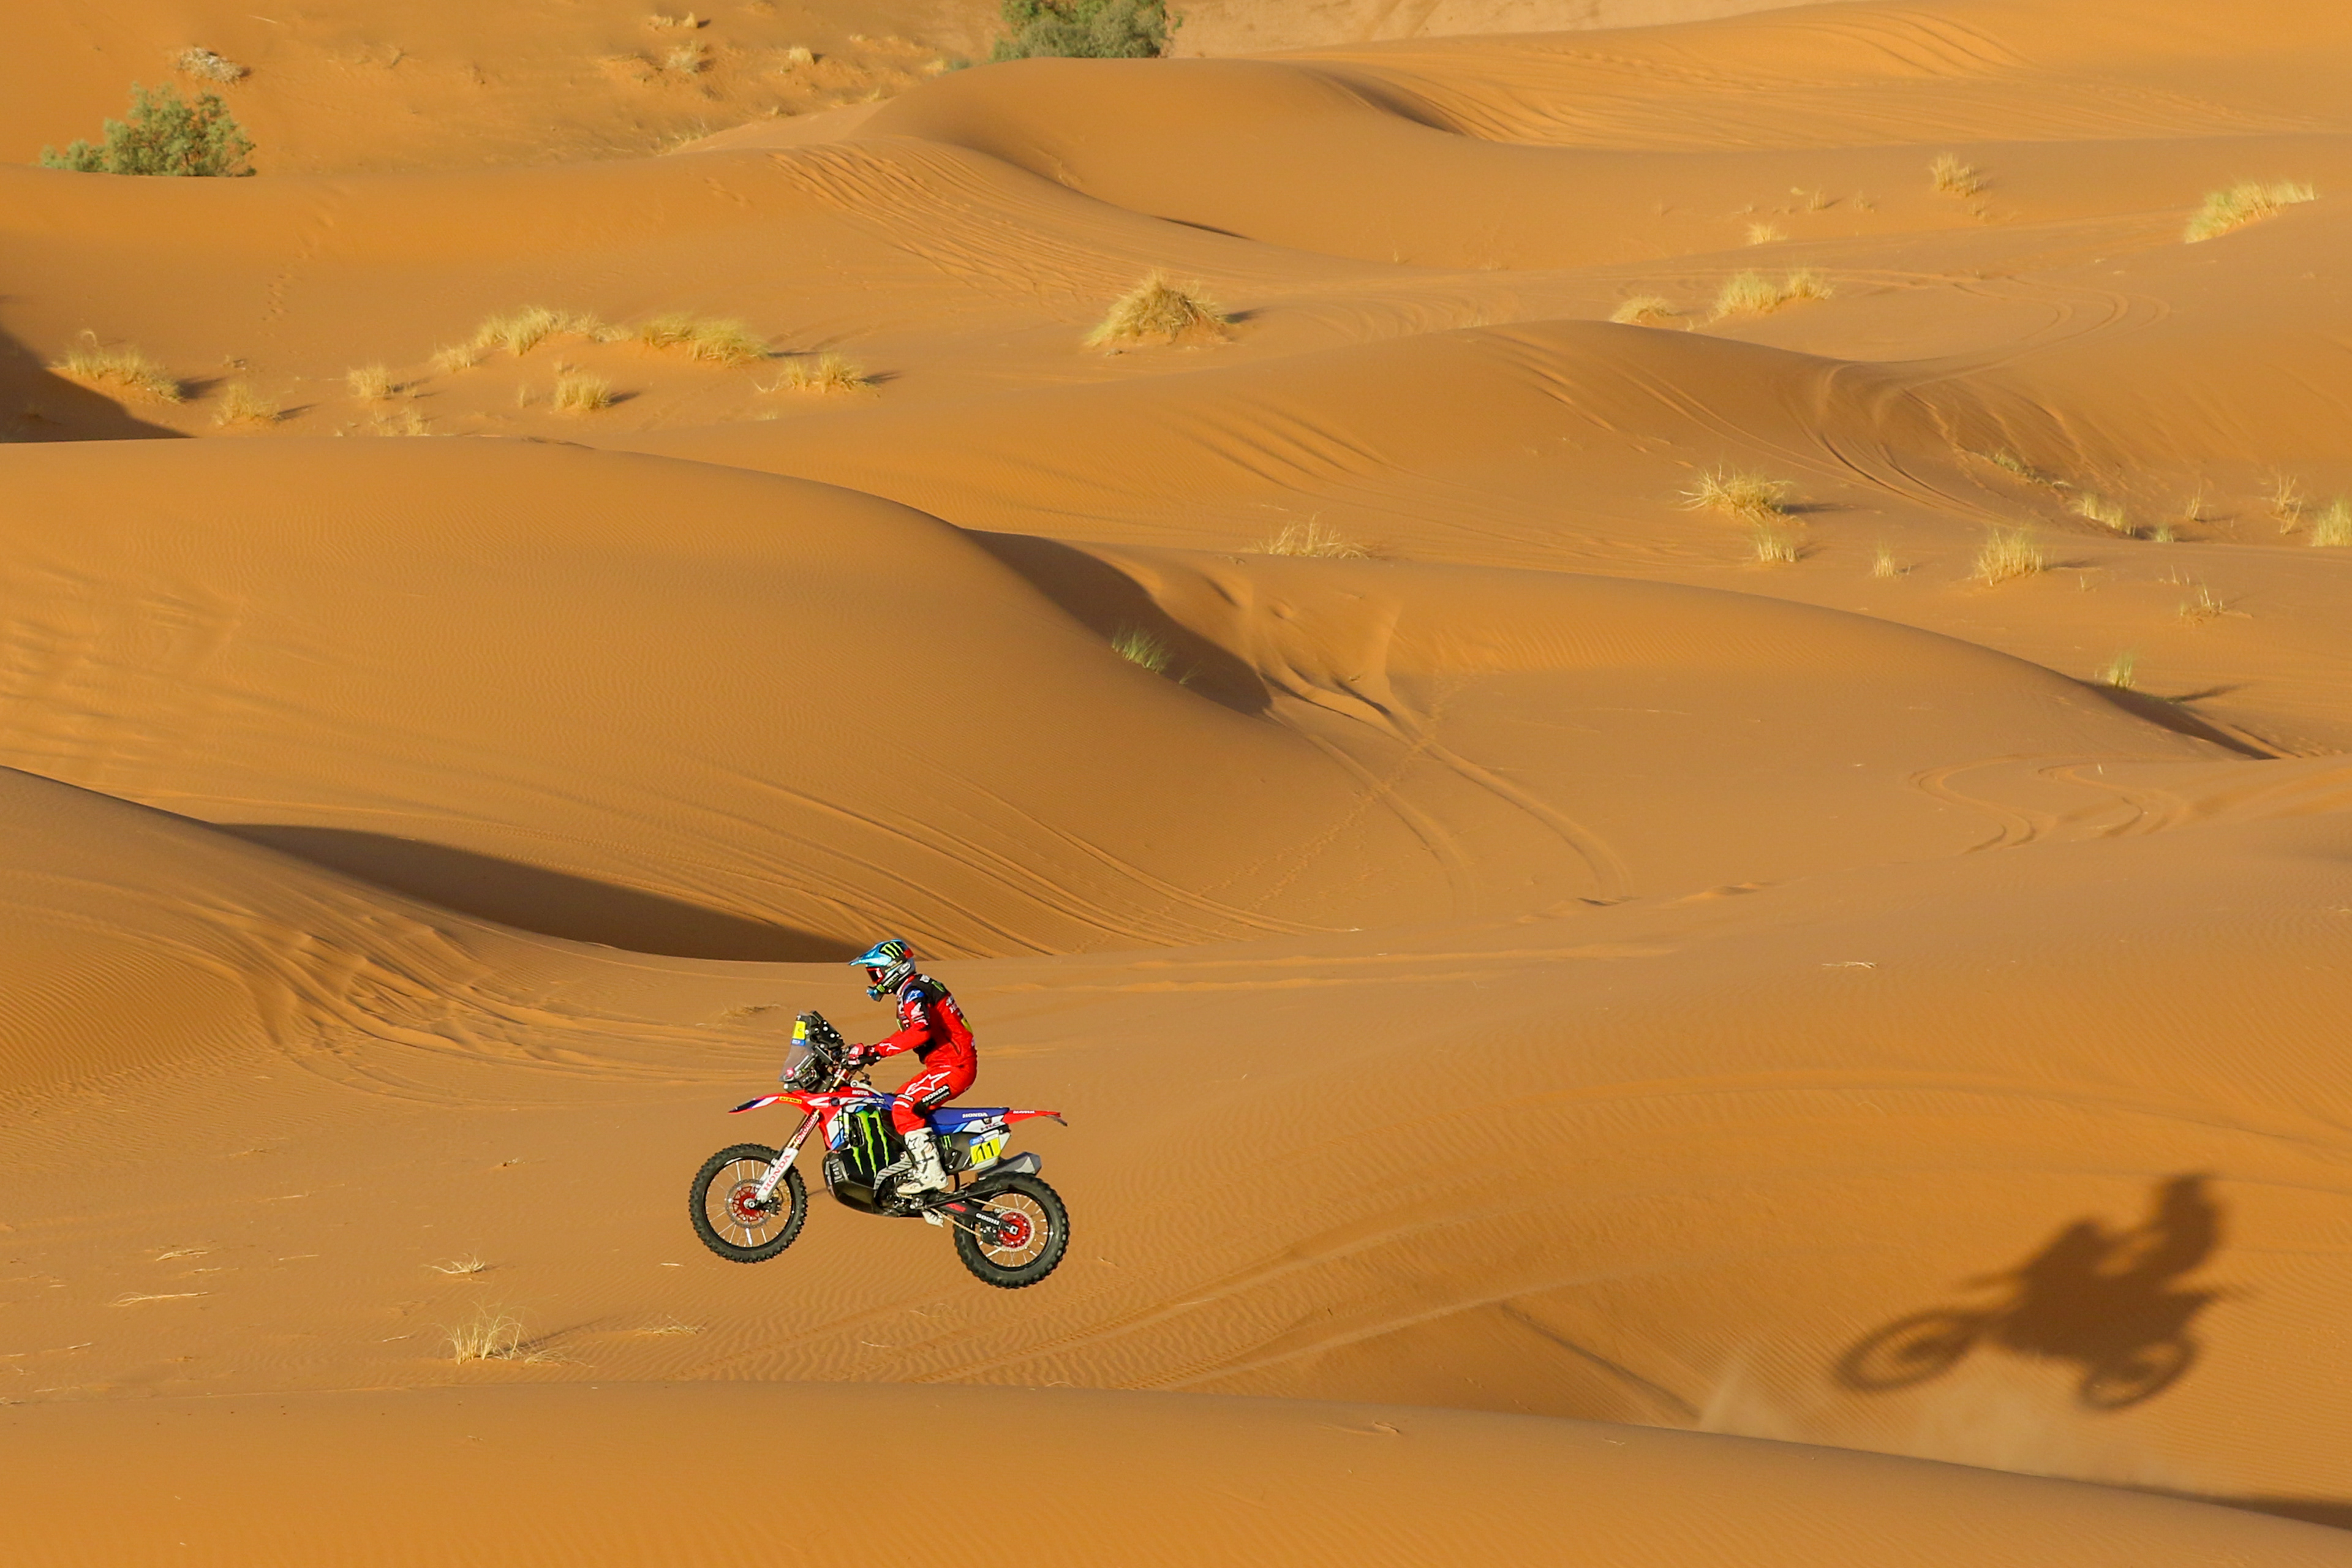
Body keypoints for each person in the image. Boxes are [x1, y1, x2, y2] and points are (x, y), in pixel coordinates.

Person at [845, 938, 975, 1196]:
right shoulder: (915, 988)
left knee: (905, 1107)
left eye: (876, 972)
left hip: (954, 1066)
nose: (874, 979)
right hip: (945, 1065)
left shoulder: (914, 992)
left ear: (895, 968)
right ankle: (920, 1174)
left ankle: (932, 1175)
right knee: (891, 1105)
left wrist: (876, 1051)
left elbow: (920, 1032)